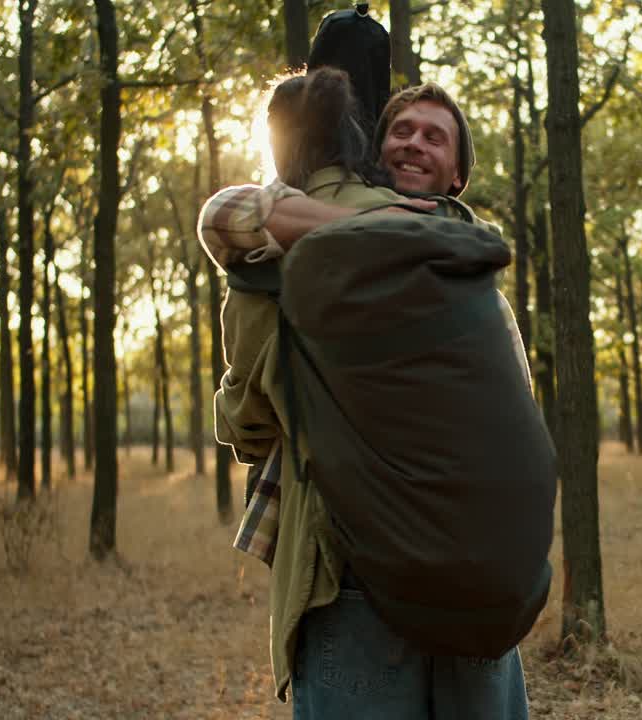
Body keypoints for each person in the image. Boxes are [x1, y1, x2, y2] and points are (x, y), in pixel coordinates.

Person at [203, 69, 532, 720]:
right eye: (401, 132)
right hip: (351, 572)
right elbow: (221, 216)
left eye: (435, 137)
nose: (414, 143)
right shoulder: (303, 250)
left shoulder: (479, 284)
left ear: (457, 173)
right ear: (370, 154)